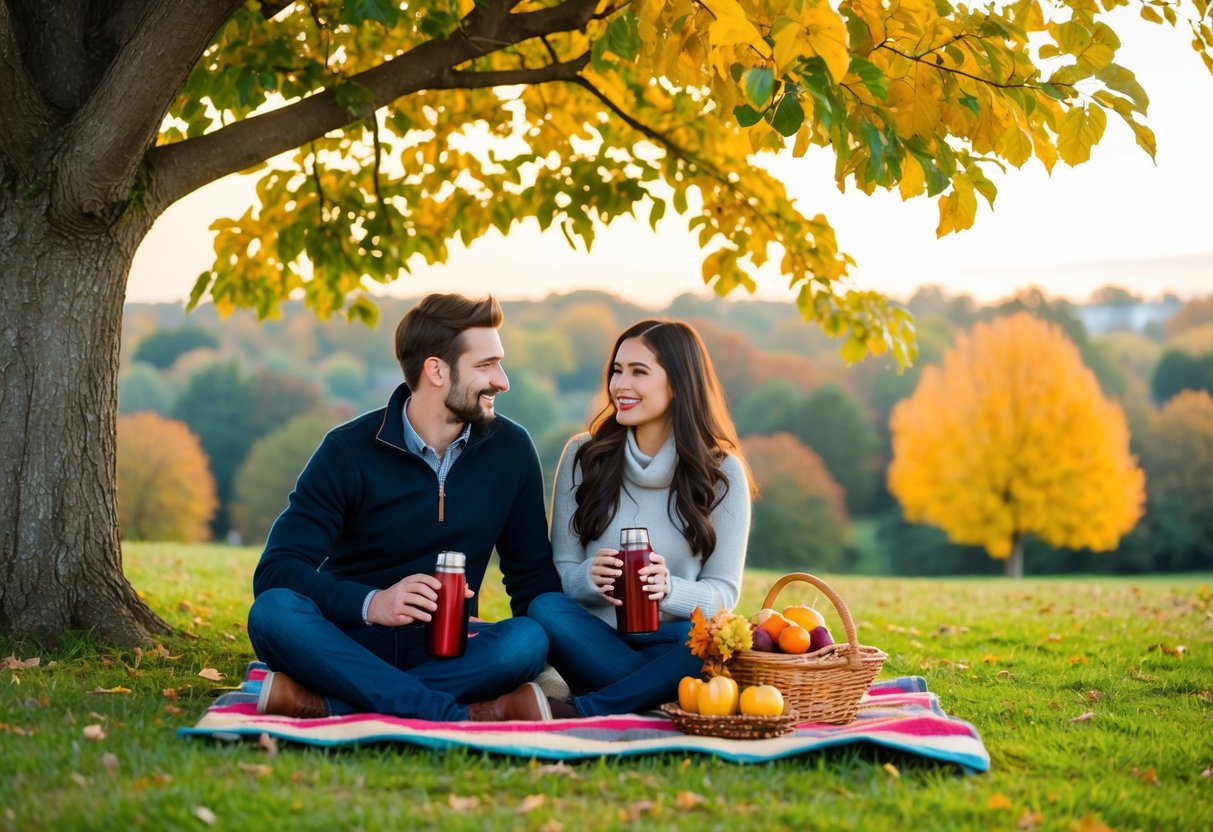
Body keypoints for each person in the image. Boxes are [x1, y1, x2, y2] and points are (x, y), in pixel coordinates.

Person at [247, 293, 565, 722]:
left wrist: (550, 655)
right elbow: (277, 571)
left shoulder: (511, 449)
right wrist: (373, 602)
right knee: (273, 612)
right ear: (435, 369)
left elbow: (531, 579)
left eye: (499, 363)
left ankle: (332, 704)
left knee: (526, 638)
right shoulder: (348, 449)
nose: (502, 380)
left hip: (448, 649)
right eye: (486, 365)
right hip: (347, 641)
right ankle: (453, 712)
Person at [528, 319, 754, 717]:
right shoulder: (583, 456)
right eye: (617, 370)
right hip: (591, 640)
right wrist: (588, 578)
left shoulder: (722, 472)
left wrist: (669, 589)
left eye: (638, 372)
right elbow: (563, 569)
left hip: (668, 639)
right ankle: (654, 691)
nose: (620, 385)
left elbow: (724, 594)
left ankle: (586, 709)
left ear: (679, 383)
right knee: (545, 608)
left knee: (706, 640)